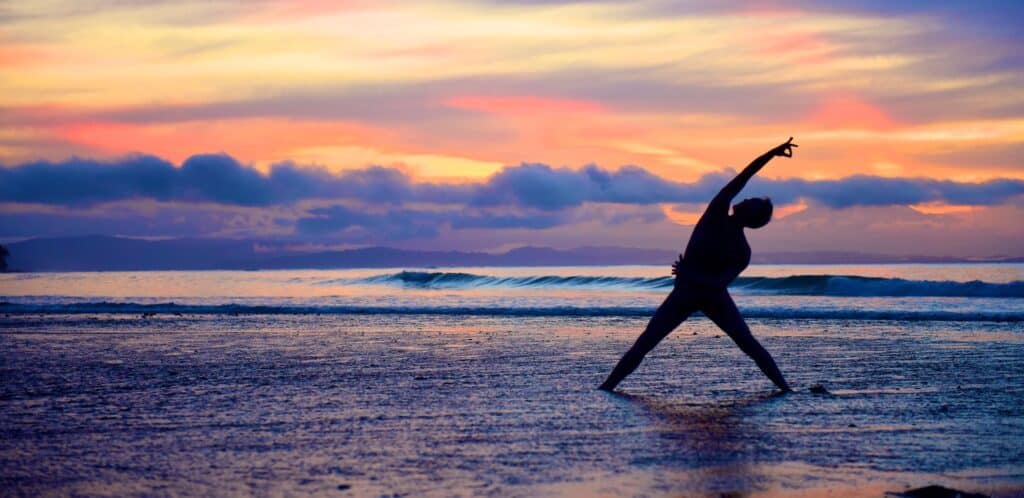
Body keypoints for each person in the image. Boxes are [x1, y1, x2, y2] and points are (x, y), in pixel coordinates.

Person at [599, 138, 798, 393]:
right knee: (645, 342)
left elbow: (718, 284)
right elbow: (745, 175)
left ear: (751, 218)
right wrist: (772, 153)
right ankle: (607, 387)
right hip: (686, 294)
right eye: (750, 198)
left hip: (709, 296)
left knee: (748, 344)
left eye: (752, 204)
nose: (746, 199)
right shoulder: (716, 212)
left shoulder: (741, 250)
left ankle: (785, 387)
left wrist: (688, 274)